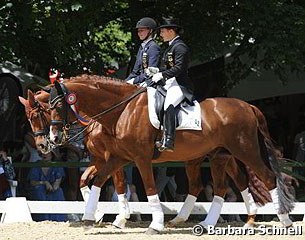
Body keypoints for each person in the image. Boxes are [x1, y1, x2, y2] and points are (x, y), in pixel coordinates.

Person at [151, 17, 194, 152]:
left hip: (180, 84)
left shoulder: (180, 47)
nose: (161, 34)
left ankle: (169, 140)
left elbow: (179, 68)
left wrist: (162, 75)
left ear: (171, 31)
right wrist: (158, 71)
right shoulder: (170, 47)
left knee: (169, 104)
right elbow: (168, 68)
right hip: (170, 82)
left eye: (163, 31)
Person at [27, 152, 66, 221]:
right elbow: (32, 182)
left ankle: (58, 218)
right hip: (39, 189)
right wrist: (45, 183)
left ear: (52, 154)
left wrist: (53, 187)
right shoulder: (36, 165)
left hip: (52, 190)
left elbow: (57, 183)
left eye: (47, 153)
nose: (45, 155)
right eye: (43, 153)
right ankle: (42, 218)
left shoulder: (57, 166)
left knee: (58, 191)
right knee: (40, 190)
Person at [126, 17, 160, 85]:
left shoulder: (153, 47)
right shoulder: (142, 47)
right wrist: (125, 82)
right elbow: (135, 71)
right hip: (141, 81)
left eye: (142, 30)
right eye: (138, 31)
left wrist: (134, 81)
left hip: (151, 82)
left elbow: (151, 72)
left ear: (150, 31)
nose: (139, 33)